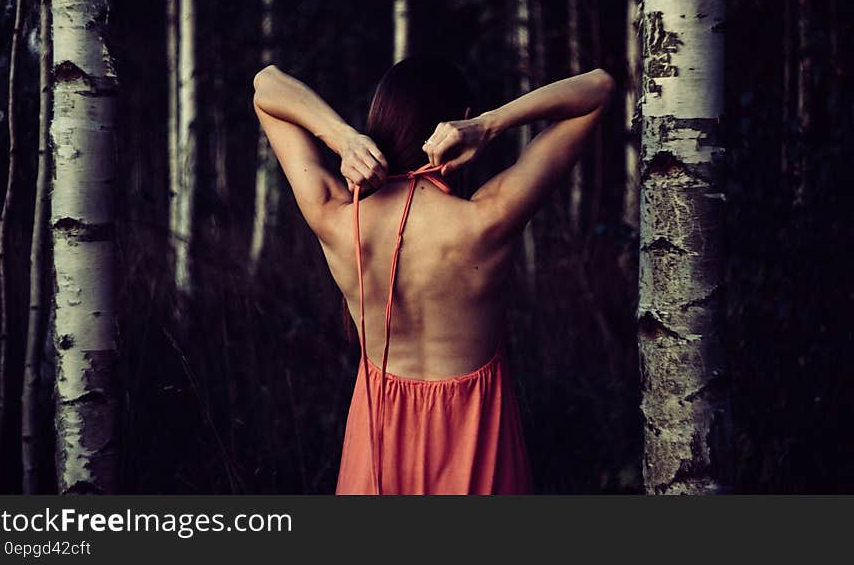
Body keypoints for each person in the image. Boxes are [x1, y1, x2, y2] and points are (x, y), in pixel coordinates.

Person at [252, 56, 615, 494]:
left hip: (378, 446)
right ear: (459, 123)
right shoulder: (487, 220)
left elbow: (267, 86)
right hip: (476, 442)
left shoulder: (336, 217)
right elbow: (598, 89)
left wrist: (343, 138)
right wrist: (490, 124)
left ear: (379, 124)